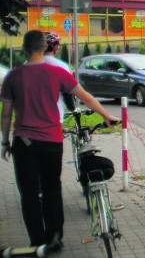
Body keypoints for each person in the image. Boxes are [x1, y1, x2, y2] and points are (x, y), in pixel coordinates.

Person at [1, 30, 119, 251]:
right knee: (52, 189)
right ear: (44, 47)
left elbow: (6, 114)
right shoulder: (57, 73)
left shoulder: (13, 76)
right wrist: (107, 116)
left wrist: (4, 142)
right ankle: (55, 238)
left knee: (29, 195)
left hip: (23, 143)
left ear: (24, 48)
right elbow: (86, 97)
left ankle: (37, 242)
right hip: (51, 142)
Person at [43, 32, 76, 122]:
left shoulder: (27, 64)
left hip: (30, 116)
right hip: (53, 115)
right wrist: (72, 108)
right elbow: (67, 91)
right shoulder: (60, 66)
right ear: (56, 47)